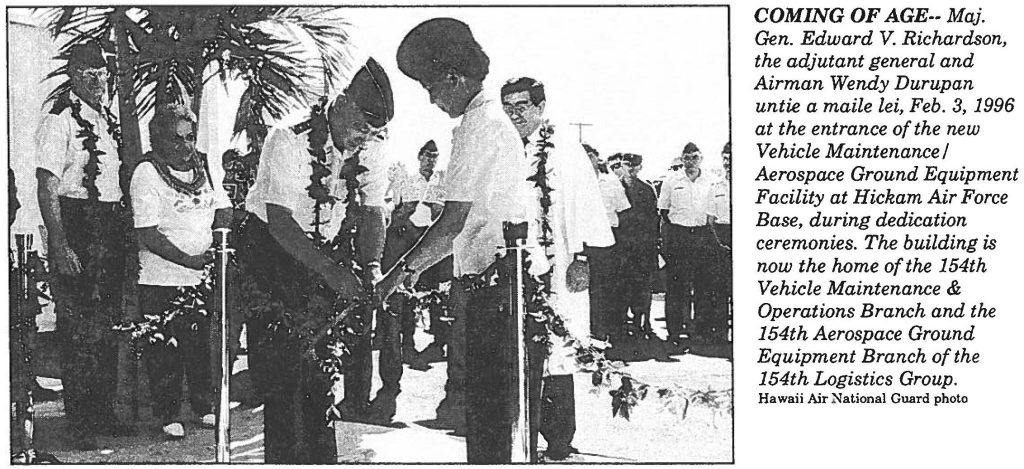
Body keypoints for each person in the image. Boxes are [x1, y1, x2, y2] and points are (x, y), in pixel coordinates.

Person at [381, 18, 546, 462]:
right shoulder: (482, 120)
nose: (432, 100)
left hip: (494, 286)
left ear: (453, 78)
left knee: (490, 419)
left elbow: (451, 222)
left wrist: (393, 279)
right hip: (490, 282)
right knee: (489, 415)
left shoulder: (481, 124)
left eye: (430, 88)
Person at [240, 57, 393, 463]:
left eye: (374, 131)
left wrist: (372, 266)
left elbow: (374, 211)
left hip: (325, 251)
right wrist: (330, 271)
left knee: (320, 374)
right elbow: (280, 221)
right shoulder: (289, 138)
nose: (365, 138)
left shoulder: (373, 145)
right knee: (282, 377)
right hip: (273, 253)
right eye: (361, 126)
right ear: (341, 104)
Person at [501, 76, 614, 461]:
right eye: (509, 107)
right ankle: (525, 435)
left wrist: (582, 258)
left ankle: (560, 437)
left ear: (540, 107)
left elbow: (585, 204)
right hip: (513, 262)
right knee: (520, 347)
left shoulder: (564, 149)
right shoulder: (503, 146)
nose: (515, 114)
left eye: (522, 106)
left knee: (559, 347)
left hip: (559, 259)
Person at [35, 41, 128, 449]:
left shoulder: (108, 122)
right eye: (88, 71)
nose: (98, 79)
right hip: (76, 224)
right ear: (73, 75)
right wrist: (60, 243)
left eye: (103, 71)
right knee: (78, 329)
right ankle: (80, 423)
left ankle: (103, 413)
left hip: (107, 225)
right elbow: (47, 186)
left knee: (105, 325)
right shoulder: (60, 122)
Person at [130, 104, 232, 439]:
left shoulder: (203, 165)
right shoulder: (146, 172)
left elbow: (221, 208)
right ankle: (168, 413)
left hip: (200, 277)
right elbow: (147, 233)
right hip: (161, 279)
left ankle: (203, 405)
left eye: (189, 138)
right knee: (165, 350)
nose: (185, 146)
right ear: (157, 140)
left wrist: (218, 245)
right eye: (176, 140)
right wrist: (190, 260)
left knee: (200, 345)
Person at [371, 140, 451, 422]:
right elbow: (397, 212)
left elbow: (443, 214)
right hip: (406, 243)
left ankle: (429, 345)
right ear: (419, 157)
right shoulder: (407, 179)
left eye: (434, 156)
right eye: (426, 155)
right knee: (400, 304)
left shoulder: (442, 181)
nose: (430, 160)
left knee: (435, 300)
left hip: (431, 246)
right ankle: (401, 351)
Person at [658, 142, 719, 344]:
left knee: (703, 287)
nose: (690, 161)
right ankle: (674, 332)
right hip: (679, 237)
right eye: (686, 157)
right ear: (681, 159)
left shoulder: (711, 180)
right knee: (676, 288)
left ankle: (699, 332)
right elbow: (664, 212)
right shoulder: (671, 180)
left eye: (694, 157)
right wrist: (669, 241)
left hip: (703, 237)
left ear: (701, 158)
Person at [607, 153, 659, 336]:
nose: (630, 168)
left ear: (640, 167)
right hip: (620, 245)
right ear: (621, 165)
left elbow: (654, 219)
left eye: (634, 165)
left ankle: (641, 322)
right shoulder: (613, 186)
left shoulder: (646, 189)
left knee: (642, 287)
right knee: (620, 286)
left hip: (641, 246)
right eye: (626, 164)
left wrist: (653, 246)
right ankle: (620, 324)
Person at [582, 144, 631, 340]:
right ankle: (590, 331)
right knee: (587, 287)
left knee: (609, 286)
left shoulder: (611, 182)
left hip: (610, 239)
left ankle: (610, 332)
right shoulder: (574, 182)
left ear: (597, 158)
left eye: (590, 155)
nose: (587, 159)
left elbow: (623, 211)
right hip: (585, 240)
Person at [707, 142, 732, 347]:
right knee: (721, 288)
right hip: (722, 236)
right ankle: (721, 334)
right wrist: (718, 243)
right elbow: (710, 220)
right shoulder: (716, 186)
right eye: (725, 157)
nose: (728, 161)